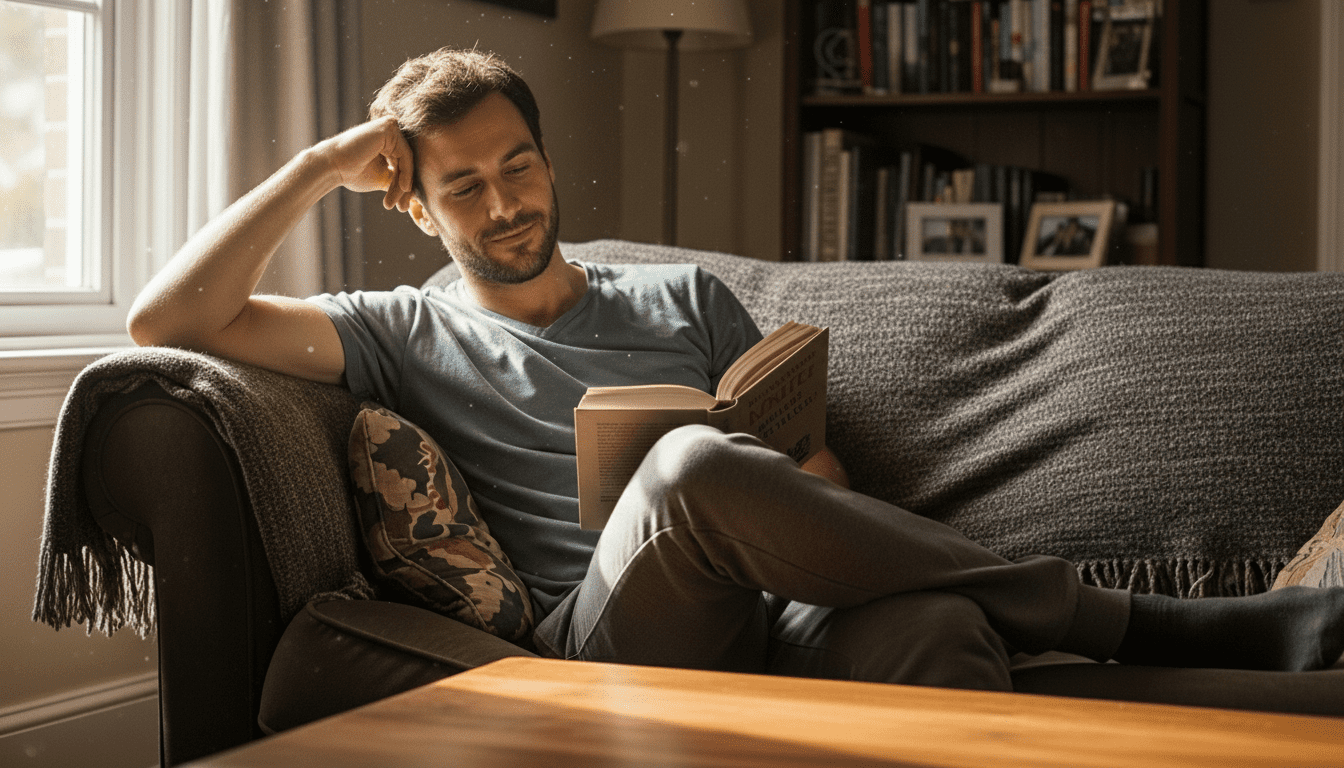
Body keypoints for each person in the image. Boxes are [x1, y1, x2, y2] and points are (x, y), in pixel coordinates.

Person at [128, 47, 1344, 689]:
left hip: (771, 611)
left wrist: (809, 502)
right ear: (418, 206)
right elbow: (165, 320)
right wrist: (318, 165)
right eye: (464, 185)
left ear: (547, 161)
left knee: (933, 633)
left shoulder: (686, 298)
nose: (503, 202)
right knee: (690, 463)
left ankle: (1039, 629)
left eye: (519, 165)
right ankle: (1136, 623)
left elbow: (811, 464)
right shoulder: (396, 328)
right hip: (608, 636)